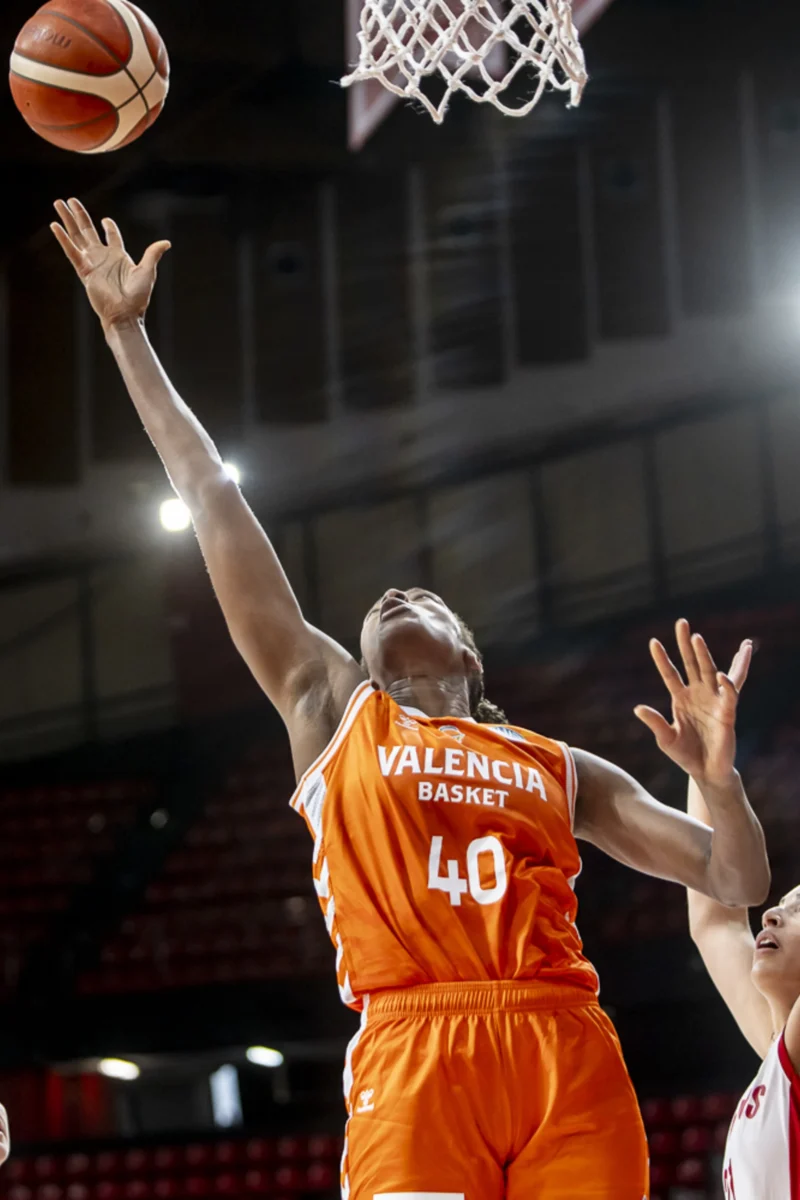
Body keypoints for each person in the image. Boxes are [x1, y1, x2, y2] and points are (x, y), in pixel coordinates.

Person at [51, 197, 770, 1200]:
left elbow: (732, 883)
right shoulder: (327, 704)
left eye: (420, 593)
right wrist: (126, 333)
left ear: (470, 659)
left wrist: (718, 782)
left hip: (563, 1045)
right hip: (413, 1042)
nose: (388, 593)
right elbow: (209, 490)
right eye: (373, 604)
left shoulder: (559, 765)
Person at [671, 635, 798, 1200]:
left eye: (799, 912)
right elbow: (718, 918)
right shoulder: (778, 1051)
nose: (772, 912)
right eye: (782, 903)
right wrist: (709, 772)